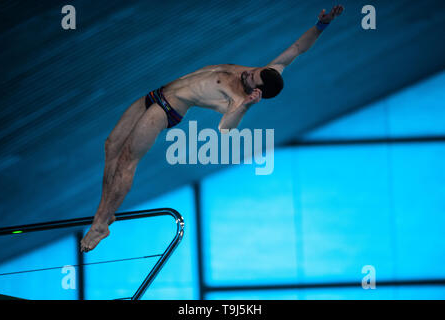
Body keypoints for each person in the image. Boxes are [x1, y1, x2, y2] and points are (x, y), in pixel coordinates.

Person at [80, 5, 344, 252]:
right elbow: (298, 48)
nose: (247, 73)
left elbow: (226, 129)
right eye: (254, 70)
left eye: (251, 79)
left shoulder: (239, 100)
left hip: (167, 109)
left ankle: (100, 225)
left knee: (128, 159)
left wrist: (246, 107)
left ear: (256, 92)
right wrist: (321, 25)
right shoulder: (268, 72)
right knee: (111, 145)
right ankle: (105, 212)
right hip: (157, 92)